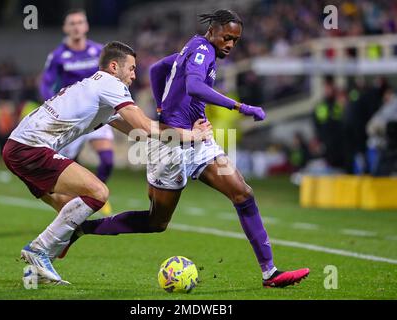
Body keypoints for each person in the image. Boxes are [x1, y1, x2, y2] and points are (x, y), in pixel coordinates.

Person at [64, 10, 310, 288]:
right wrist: (240, 106)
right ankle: (81, 229)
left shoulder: (195, 48)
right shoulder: (203, 50)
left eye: (235, 40)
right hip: (171, 145)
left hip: (199, 140)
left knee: (243, 194)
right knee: (156, 222)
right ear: (213, 31)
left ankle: (270, 273)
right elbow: (193, 86)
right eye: (226, 37)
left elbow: (158, 69)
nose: (230, 44)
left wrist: (160, 105)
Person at [2, 41, 211, 284]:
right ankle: (39, 250)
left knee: (68, 208)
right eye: (131, 68)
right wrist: (191, 135)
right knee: (98, 192)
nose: (135, 74)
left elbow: (139, 133)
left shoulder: (97, 88)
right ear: (114, 66)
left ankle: (38, 270)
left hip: (16, 146)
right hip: (30, 148)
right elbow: (144, 125)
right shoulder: (110, 84)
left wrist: (178, 138)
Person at [40, 9, 115, 214]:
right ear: (65, 28)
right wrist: (53, 106)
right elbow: (46, 84)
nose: (76, 26)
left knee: (107, 159)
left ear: (86, 26)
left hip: (98, 113)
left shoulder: (99, 52)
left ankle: (98, 194)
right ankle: (78, 200)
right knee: (67, 166)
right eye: (71, 23)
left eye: (80, 22)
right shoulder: (57, 55)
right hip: (71, 117)